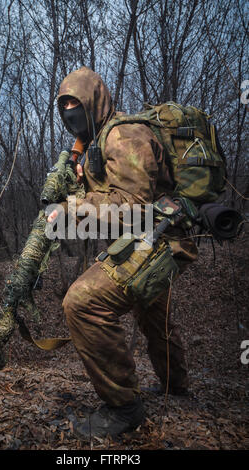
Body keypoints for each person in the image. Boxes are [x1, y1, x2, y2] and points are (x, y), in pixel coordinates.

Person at [48, 66, 198, 441]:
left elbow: (132, 205)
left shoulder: (123, 135)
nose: (69, 112)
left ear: (94, 101)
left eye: (75, 103)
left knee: (82, 303)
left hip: (158, 237)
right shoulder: (96, 140)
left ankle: (123, 408)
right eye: (63, 105)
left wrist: (73, 207)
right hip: (152, 237)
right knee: (154, 317)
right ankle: (176, 387)